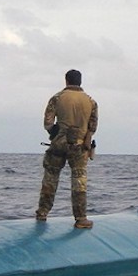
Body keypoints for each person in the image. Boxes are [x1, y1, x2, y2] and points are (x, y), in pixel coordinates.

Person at [35, 69, 99, 229]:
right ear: (80, 81)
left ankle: (42, 213)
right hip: (79, 147)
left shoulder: (57, 98)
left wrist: (55, 132)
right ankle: (81, 219)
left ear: (66, 81)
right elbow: (93, 126)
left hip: (58, 145)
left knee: (50, 179)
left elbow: (48, 123)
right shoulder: (91, 102)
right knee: (79, 181)